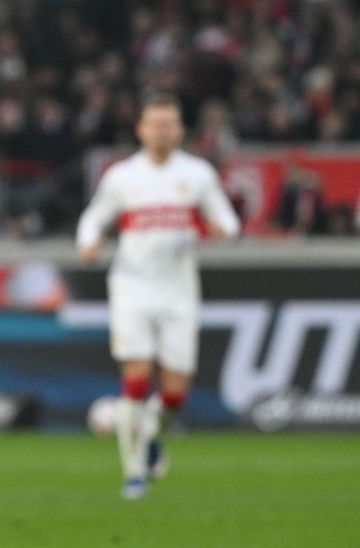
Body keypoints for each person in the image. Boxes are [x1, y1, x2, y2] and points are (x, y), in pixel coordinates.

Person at [76, 94, 241, 499]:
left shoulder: (197, 174)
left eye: (169, 124)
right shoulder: (123, 176)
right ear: (141, 129)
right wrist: (90, 240)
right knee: (135, 379)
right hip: (132, 287)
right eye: (155, 123)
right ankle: (134, 473)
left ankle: (150, 433)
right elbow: (94, 216)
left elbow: (228, 220)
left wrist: (223, 229)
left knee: (174, 394)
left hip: (179, 292)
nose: (162, 131)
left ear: (180, 130)